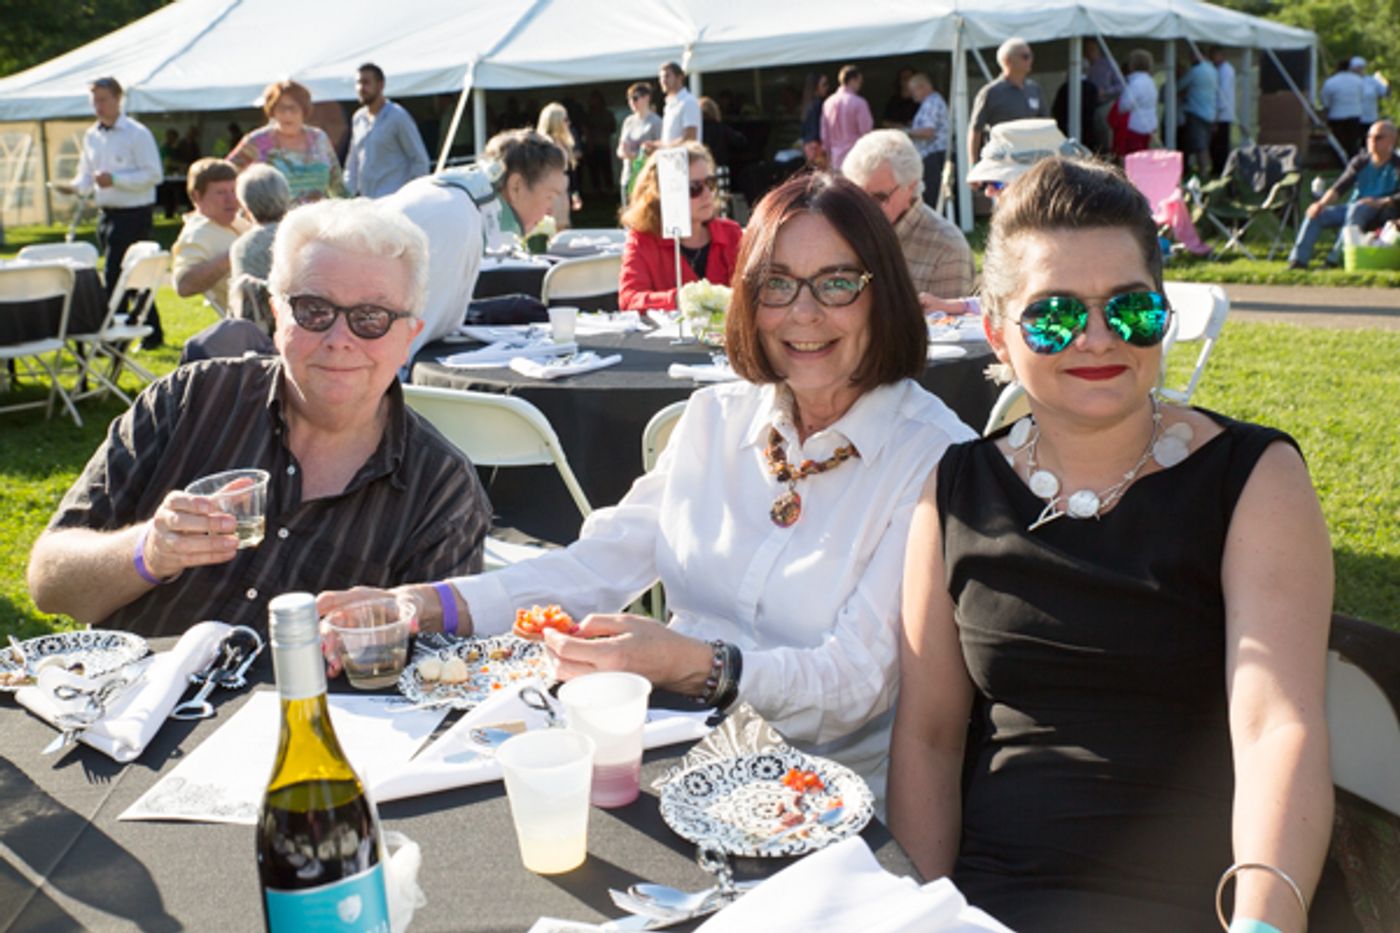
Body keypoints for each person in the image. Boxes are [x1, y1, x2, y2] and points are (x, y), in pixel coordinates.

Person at [321, 172, 976, 804]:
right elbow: (596, 568)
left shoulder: (933, 455)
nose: (803, 313)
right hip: (671, 757)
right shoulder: (715, 417)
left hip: (825, 796)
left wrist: (692, 663)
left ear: (882, 292)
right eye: (777, 283)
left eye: (836, 283)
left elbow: (855, 682)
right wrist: (427, 603)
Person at [888, 156, 1347, 932]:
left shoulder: (1253, 478)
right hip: (994, 906)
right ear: (998, 334)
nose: (1098, 338)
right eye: (1055, 315)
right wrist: (921, 914)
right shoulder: (956, 488)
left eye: (1131, 309)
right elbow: (927, 739)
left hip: (1202, 902)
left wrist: (1264, 922)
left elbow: (1278, 727)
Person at [27, 198, 491, 637]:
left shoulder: (441, 488)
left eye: (371, 317)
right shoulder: (190, 400)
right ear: (276, 315)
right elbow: (49, 583)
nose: (339, 338)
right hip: (137, 691)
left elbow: (437, 672)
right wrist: (147, 551)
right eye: (314, 310)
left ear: (409, 336)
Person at [383, 128, 569, 357]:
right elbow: (410, 341)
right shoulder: (457, 218)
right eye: (549, 196)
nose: (550, 211)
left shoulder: (455, 200)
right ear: (516, 187)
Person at [53, 76, 164, 347]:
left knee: (116, 275)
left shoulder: (137, 133)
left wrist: (116, 180)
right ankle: (151, 332)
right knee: (131, 277)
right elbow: (86, 176)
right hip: (107, 213)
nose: (98, 106)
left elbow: (154, 175)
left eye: (103, 100)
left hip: (134, 213)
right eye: (94, 101)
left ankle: (112, 335)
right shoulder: (92, 135)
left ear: (118, 99)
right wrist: (73, 188)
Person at [842, 130, 974, 309]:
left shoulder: (947, 248)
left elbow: (947, 325)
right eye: (857, 196)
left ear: (910, 187)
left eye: (879, 198)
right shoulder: (843, 230)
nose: (864, 207)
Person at [617, 142, 742, 311]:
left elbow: (756, 289)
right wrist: (677, 300)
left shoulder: (731, 233)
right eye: (694, 188)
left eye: (710, 183)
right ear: (660, 194)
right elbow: (629, 299)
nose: (707, 194)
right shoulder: (642, 240)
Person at [1286, 120, 1400, 270]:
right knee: (1317, 214)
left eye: (1378, 137)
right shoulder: (1360, 162)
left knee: (1356, 209)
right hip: (1355, 207)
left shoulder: (1396, 165)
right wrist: (1320, 204)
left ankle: (1334, 260)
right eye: (1369, 137)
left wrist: (1381, 202)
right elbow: (1339, 188)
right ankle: (1298, 261)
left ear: (1392, 140)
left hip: (1382, 210)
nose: (1372, 141)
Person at [229, 79, 345, 205]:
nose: (287, 114)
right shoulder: (257, 141)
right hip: (273, 216)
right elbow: (226, 174)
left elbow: (337, 185)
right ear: (272, 110)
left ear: (304, 110)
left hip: (318, 215)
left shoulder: (319, 138)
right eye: (281, 108)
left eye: (293, 108)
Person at [171, 158, 249, 313]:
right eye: (221, 192)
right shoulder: (197, 234)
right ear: (197, 196)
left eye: (234, 191)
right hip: (254, 318)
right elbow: (183, 285)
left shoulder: (237, 221)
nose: (231, 199)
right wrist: (232, 255)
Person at [345, 62, 431, 199]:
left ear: (380, 85)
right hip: (367, 201)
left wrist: (410, 196)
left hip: (394, 200)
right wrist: (346, 196)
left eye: (366, 83)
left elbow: (420, 160)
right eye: (358, 83)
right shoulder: (358, 118)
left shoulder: (398, 116)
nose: (361, 88)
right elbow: (353, 163)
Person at [967, 38, 1048, 177]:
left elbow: (1045, 125)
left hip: (1031, 162)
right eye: (1025, 56)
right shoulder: (990, 93)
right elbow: (975, 129)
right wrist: (973, 166)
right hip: (1002, 164)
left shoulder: (1034, 89)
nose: (1030, 60)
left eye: (1031, 56)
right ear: (1007, 61)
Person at [229, 164, 292, 330]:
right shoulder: (301, 236)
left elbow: (242, 305)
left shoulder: (242, 248)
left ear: (245, 206)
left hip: (262, 332)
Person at [905, 73, 950, 208]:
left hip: (934, 155)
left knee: (933, 195)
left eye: (913, 91)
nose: (912, 95)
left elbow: (928, 132)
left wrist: (905, 133)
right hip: (932, 154)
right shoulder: (929, 102)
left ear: (923, 87)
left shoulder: (932, 103)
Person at [821, 64, 874, 171]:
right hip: (855, 157)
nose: (860, 85)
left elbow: (825, 135)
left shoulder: (828, 103)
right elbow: (866, 132)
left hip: (835, 158)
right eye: (859, 82)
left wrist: (828, 158)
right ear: (853, 80)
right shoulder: (859, 103)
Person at [617, 82, 662, 202]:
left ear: (647, 98)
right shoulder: (628, 121)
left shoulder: (656, 122)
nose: (632, 102)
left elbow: (660, 151)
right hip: (628, 176)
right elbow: (620, 149)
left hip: (647, 178)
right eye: (629, 99)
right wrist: (624, 152)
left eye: (635, 98)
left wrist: (635, 155)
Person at [1178, 51, 1218, 177]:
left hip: (1196, 113)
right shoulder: (1213, 70)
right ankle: (1204, 170)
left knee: (1199, 145)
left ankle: (1203, 172)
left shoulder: (1195, 71)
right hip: (1210, 113)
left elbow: (1179, 86)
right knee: (1204, 144)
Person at [647, 61, 702, 151]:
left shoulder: (688, 101)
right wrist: (655, 145)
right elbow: (670, 139)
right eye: (661, 77)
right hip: (671, 158)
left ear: (680, 77)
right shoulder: (669, 105)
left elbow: (690, 138)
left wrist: (662, 147)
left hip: (686, 159)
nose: (663, 81)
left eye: (667, 76)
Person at [1115, 48, 1159, 158]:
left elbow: (1124, 105)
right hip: (1151, 125)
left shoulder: (1135, 83)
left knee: (1134, 158)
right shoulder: (1151, 81)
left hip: (1135, 126)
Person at [1084, 40, 1123, 155]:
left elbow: (1121, 85)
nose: (1089, 53)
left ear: (1098, 50)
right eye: (1086, 50)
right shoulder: (1082, 66)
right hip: (1088, 109)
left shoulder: (1108, 64)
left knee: (1106, 140)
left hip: (1105, 105)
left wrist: (1105, 92)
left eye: (1091, 49)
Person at [1321, 60, 1365, 163]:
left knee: (1339, 141)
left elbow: (1325, 100)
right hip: (1354, 114)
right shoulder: (1358, 81)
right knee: (1353, 141)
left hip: (1336, 115)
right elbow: (1361, 96)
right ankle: (1353, 161)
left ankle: (1339, 162)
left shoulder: (1331, 82)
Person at [1211, 46, 1237, 179]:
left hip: (1222, 115)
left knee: (1220, 144)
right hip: (1221, 114)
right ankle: (1218, 168)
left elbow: (1222, 94)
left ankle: (1222, 170)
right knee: (1217, 144)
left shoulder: (1225, 71)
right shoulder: (1220, 70)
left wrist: (1216, 115)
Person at [1355, 57, 1390, 140]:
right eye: (1357, 68)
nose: (1360, 70)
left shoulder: (1371, 81)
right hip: (1354, 119)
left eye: (1361, 67)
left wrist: (1385, 81)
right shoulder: (1348, 81)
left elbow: (1385, 93)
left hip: (1370, 118)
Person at [800, 72, 830, 169]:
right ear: (816, 87)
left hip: (808, 145)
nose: (827, 87)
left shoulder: (807, 104)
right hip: (817, 146)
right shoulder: (819, 104)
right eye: (824, 84)